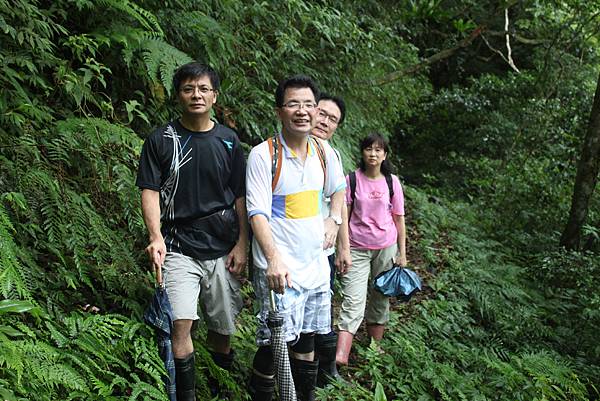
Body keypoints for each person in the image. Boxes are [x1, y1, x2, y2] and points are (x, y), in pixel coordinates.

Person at [136, 62, 248, 401]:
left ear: (214, 95)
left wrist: (243, 243)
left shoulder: (229, 141)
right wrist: (155, 235)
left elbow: (241, 195)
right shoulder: (161, 140)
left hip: (223, 246)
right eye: (188, 89)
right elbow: (149, 190)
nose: (195, 95)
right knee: (180, 323)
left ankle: (219, 388)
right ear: (178, 95)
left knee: (222, 327)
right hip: (177, 244)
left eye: (202, 89)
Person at [246, 75, 346, 401]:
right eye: (293, 104)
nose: (301, 111)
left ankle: (305, 396)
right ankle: (259, 392)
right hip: (281, 269)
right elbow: (257, 212)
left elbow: (338, 192)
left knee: (308, 339)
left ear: (317, 110)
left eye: (308, 105)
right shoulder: (264, 155)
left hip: (316, 265)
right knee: (276, 343)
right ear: (279, 111)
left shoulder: (325, 152)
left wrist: (333, 220)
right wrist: (273, 258)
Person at [335, 133, 407, 366]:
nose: (373, 154)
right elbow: (343, 216)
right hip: (356, 247)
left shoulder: (392, 182)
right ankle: (341, 355)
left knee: (381, 297)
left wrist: (402, 253)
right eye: (369, 149)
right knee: (353, 298)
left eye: (378, 150)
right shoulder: (352, 180)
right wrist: (342, 248)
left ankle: (374, 348)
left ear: (385, 154)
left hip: (386, 247)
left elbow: (399, 219)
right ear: (362, 152)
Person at [311, 94, 352, 386]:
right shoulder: (280, 150)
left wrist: (344, 247)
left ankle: (324, 370)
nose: (324, 122)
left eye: (332, 119)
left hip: (322, 249)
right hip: (288, 247)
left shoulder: (332, 155)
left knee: (322, 307)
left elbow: (341, 205)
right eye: (321, 113)